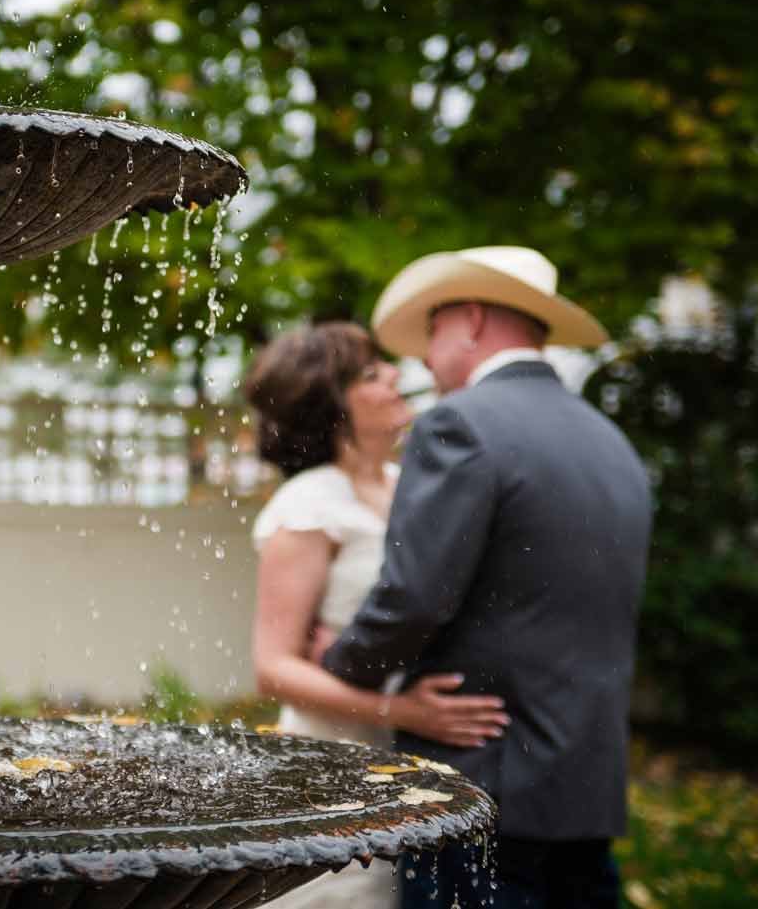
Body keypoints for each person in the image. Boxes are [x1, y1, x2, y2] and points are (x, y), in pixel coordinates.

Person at [318, 246, 653, 909]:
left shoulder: (461, 423)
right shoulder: (613, 443)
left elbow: (414, 595)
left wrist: (338, 663)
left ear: (469, 319)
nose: (422, 359)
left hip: (485, 792)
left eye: (433, 331)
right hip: (585, 792)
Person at [243, 321, 511, 909]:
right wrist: (400, 710)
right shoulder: (310, 504)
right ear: (334, 405)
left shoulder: (412, 483)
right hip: (335, 772)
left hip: (431, 765)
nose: (396, 375)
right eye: (371, 373)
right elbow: (273, 668)